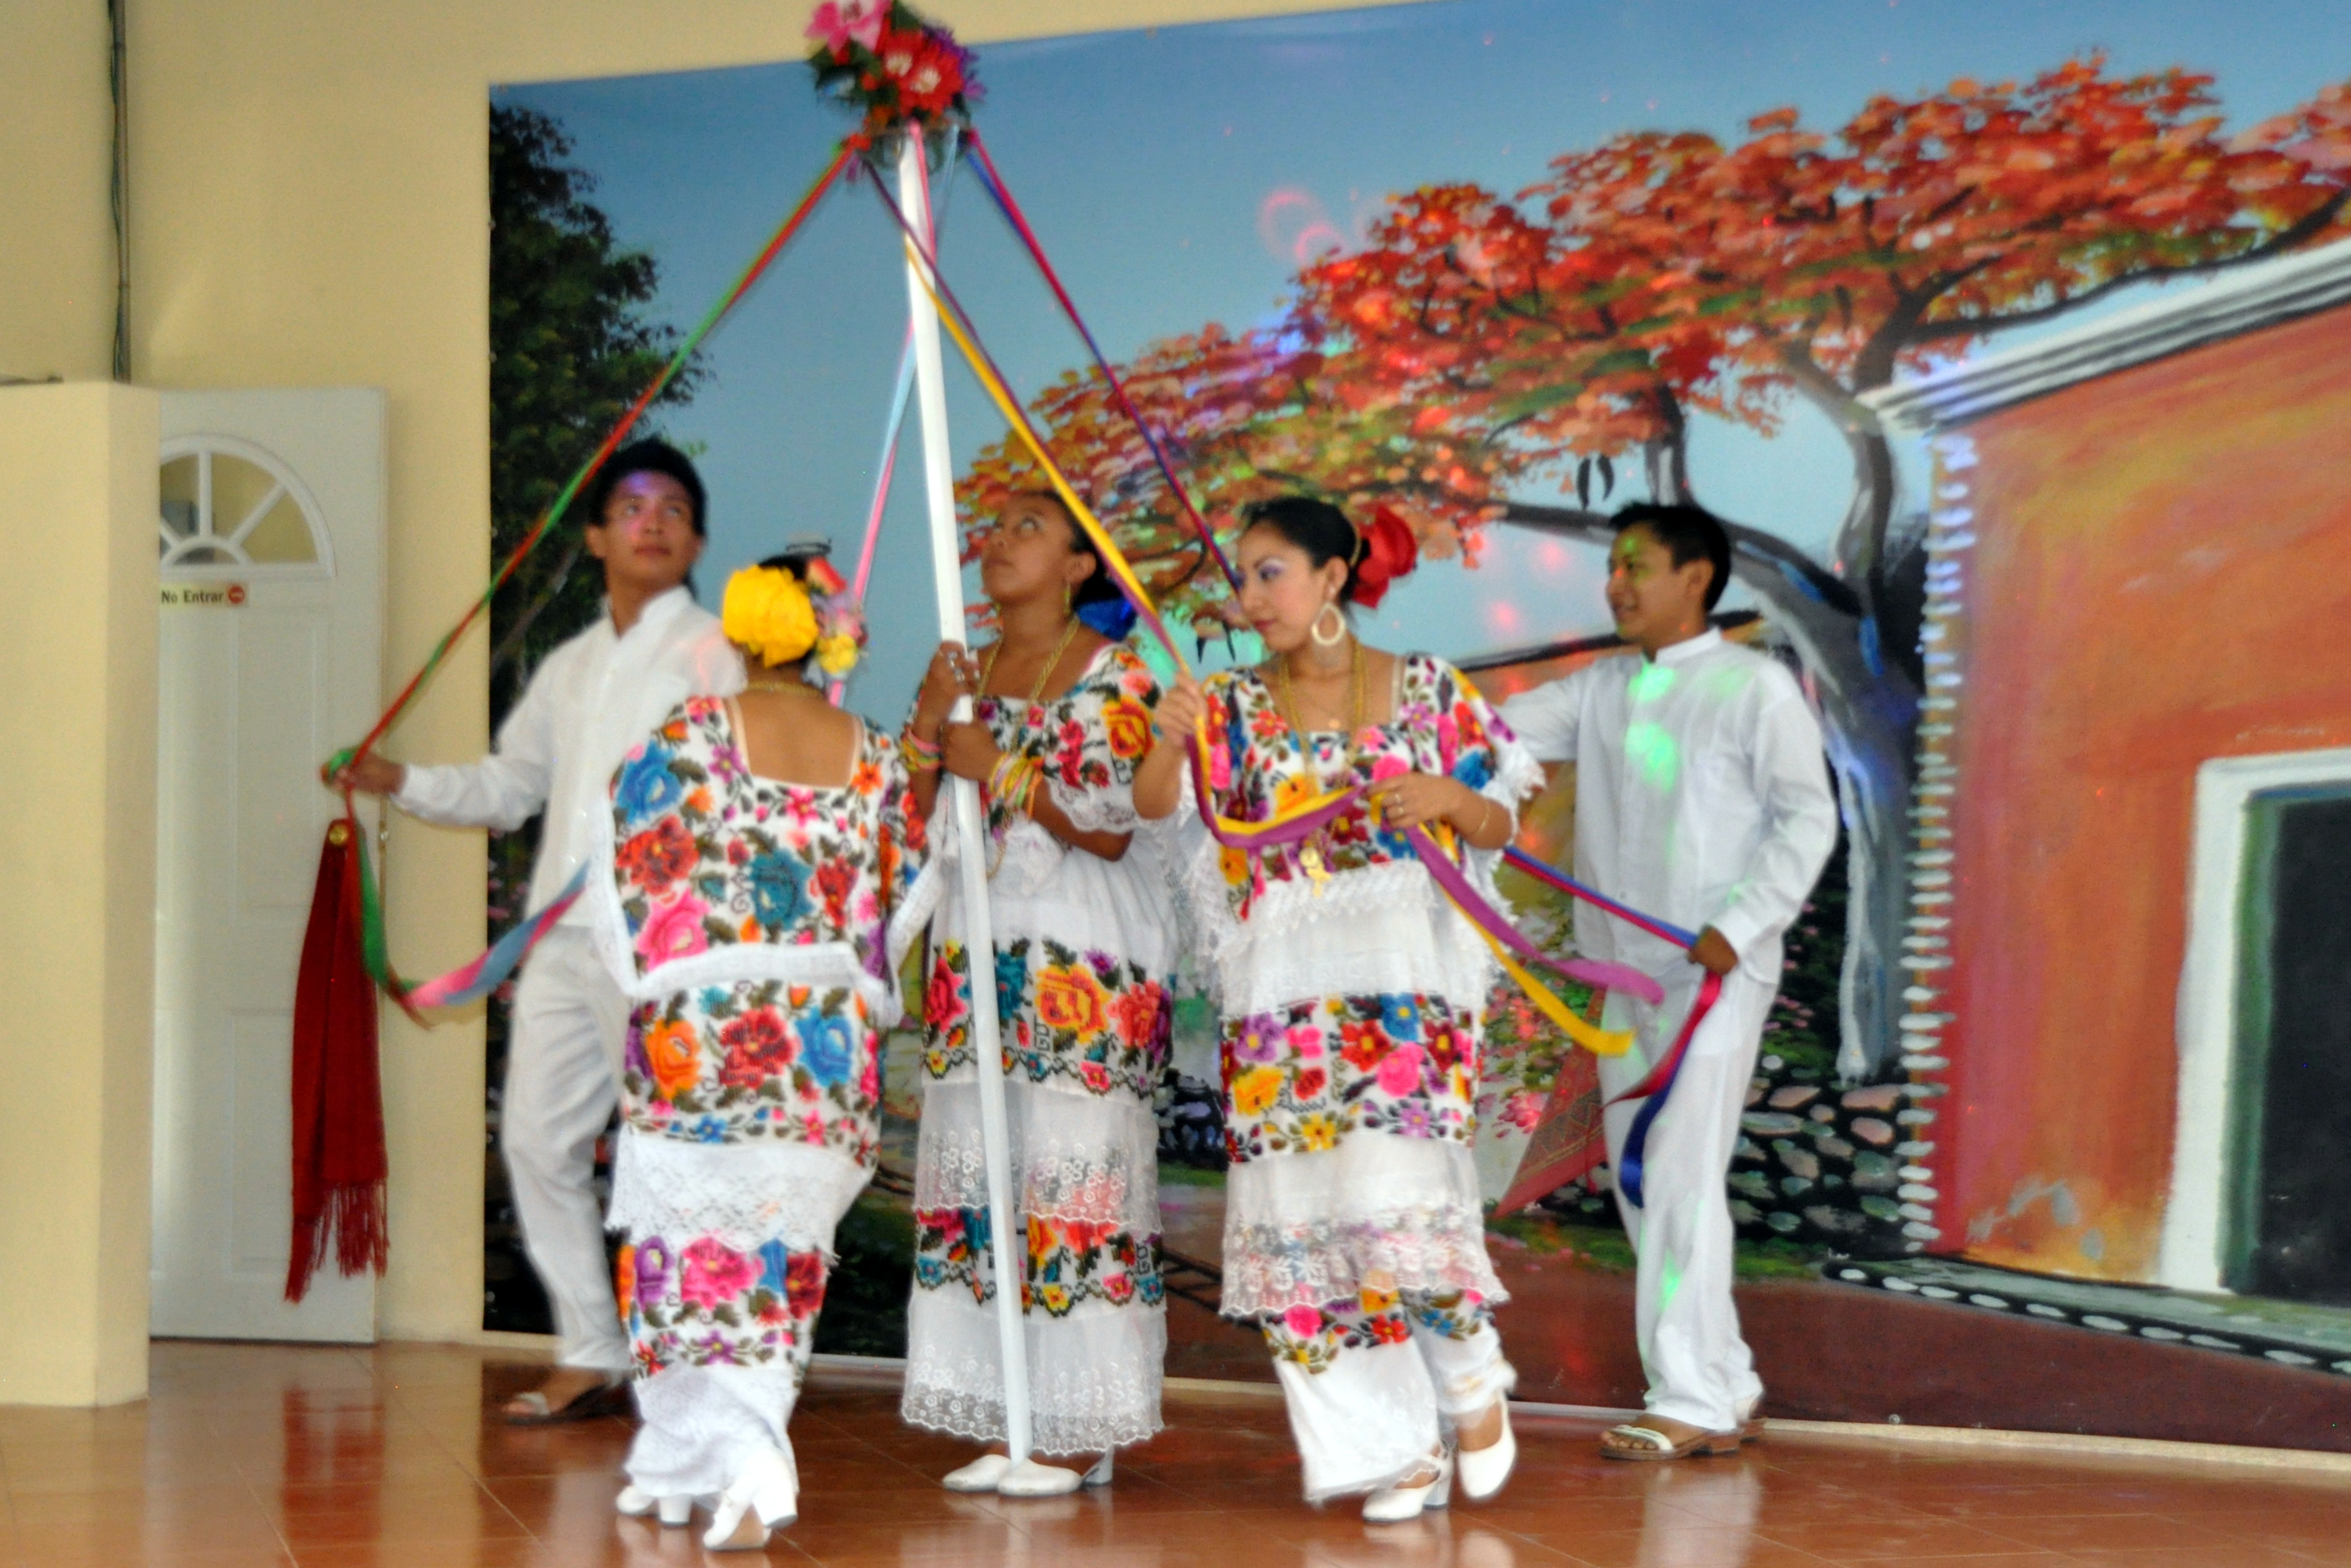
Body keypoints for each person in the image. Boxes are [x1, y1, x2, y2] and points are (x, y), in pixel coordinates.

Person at [1134, 496, 1535, 1521]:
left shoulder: (1423, 684)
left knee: (1397, 1205)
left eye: (1269, 571)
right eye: (1242, 575)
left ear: (1331, 575)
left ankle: (1469, 1379)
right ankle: (1395, 1452)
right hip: (1281, 999)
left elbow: (1500, 815)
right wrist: (1167, 742)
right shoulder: (1227, 703)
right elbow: (1156, 810)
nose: (1249, 594)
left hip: (1401, 995)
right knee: (1301, 1225)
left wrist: (1448, 800)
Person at [333, 440, 742, 1423]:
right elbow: (511, 787)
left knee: (678, 1154)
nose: (653, 523)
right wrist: (401, 781)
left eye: (674, 510)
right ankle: (592, 1350)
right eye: (632, 507)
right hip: (561, 943)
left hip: (669, 946)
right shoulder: (571, 665)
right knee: (536, 1142)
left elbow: (741, 795)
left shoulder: (717, 655)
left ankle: (702, 1367)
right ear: (596, 536)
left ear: (696, 543)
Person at [594, 548, 934, 1549]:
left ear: (741, 629)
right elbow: (902, 899)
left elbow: (627, 874)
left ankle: (744, 1465)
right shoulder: (874, 755)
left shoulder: (687, 737)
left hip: (702, 1044)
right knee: (775, 1265)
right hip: (817, 1052)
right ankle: (679, 1462)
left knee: (676, 1256)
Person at [1497, 502, 1837, 1461]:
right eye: (1612, 567)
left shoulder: (1752, 686)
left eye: (1635, 566)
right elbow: (1487, 731)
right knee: (1650, 1184)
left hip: (1710, 978)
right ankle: (1723, 1380)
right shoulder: (1602, 688)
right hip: (1625, 980)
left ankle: (1687, 1397)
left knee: (1678, 1177)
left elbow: (1807, 818)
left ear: (1696, 578)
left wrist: (1739, 924)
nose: (1615, 585)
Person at [898, 492, 1175, 1496]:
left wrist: (998, 768)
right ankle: (1012, 1412)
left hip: (1080, 961)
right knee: (990, 1188)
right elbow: (914, 812)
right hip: (976, 947)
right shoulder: (964, 671)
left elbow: (1109, 828)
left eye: (1030, 528)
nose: (1002, 542)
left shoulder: (1116, 674)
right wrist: (929, 720)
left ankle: (1080, 1424)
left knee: (1072, 1183)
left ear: (1076, 565)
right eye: (999, 527)